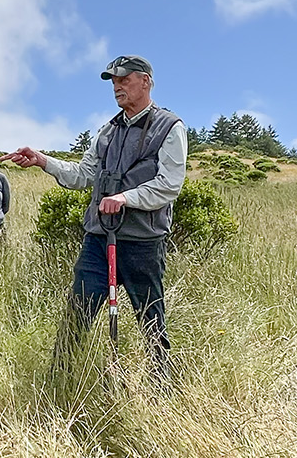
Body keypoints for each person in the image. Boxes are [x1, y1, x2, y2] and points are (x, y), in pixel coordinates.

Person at [10, 54, 186, 376]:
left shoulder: (169, 127)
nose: (117, 87)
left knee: (150, 319)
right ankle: (59, 379)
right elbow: (83, 174)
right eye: (114, 82)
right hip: (98, 240)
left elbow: (168, 186)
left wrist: (125, 197)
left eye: (124, 80)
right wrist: (42, 161)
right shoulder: (107, 132)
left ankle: (163, 388)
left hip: (143, 243)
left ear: (145, 81)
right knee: (77, 313)